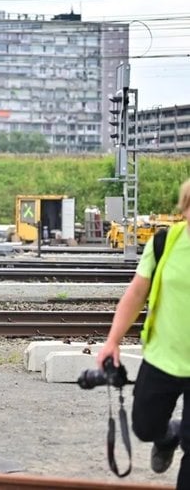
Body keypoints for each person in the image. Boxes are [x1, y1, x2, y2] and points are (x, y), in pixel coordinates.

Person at [97, 178, 190, 488]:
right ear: (185, 209)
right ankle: (168, 436)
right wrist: (112, 341)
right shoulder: (165, 243)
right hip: (163, 357)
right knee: (145, 427)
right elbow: (136, 294)